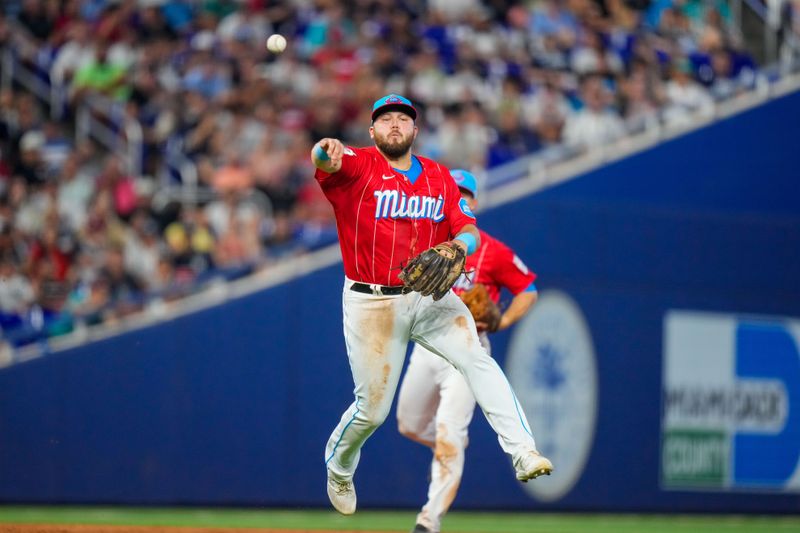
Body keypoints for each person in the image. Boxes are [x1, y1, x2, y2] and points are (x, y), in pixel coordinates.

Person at [310, 94, 552, 516]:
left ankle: (524, 452)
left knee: (476, 357)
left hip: (428, 295)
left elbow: (469, 230)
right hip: (372, 303)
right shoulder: (359, 164)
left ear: (415, 131)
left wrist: (459, 245)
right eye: (385, 119)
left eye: (403, 118)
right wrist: (323, 149)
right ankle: (339, 466)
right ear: (372, 132)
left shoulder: (439, 177)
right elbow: (328, 160)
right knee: (372, 412)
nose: (395, 124)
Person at [396, 169, 540, 533]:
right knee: (408, 423)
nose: (458, 197)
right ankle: (452, 445)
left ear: (473, 203)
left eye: (464, 193)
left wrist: (504, 320)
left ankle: (428, 521)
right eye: (451, 191)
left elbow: (528, 289)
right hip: (428, 345)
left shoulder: (491, 250)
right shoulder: (425, 242)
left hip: (467, 347)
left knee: (449, 431)